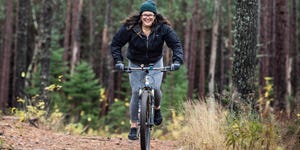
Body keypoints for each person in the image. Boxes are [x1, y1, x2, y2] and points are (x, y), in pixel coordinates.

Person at [111, 0, 183, 140]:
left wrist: (177, 61)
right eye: (145, 14)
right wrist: (119, 61)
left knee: (155, 88)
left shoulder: (163, 29)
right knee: (135, 91)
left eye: (150, 15)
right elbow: (116, 44)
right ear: (140, 16)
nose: (147, 17)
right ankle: (133, 126)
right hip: (136, 62)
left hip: (155, 62)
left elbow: (176, 44)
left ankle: (156, 109)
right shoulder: (130, 28)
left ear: (155, 16)